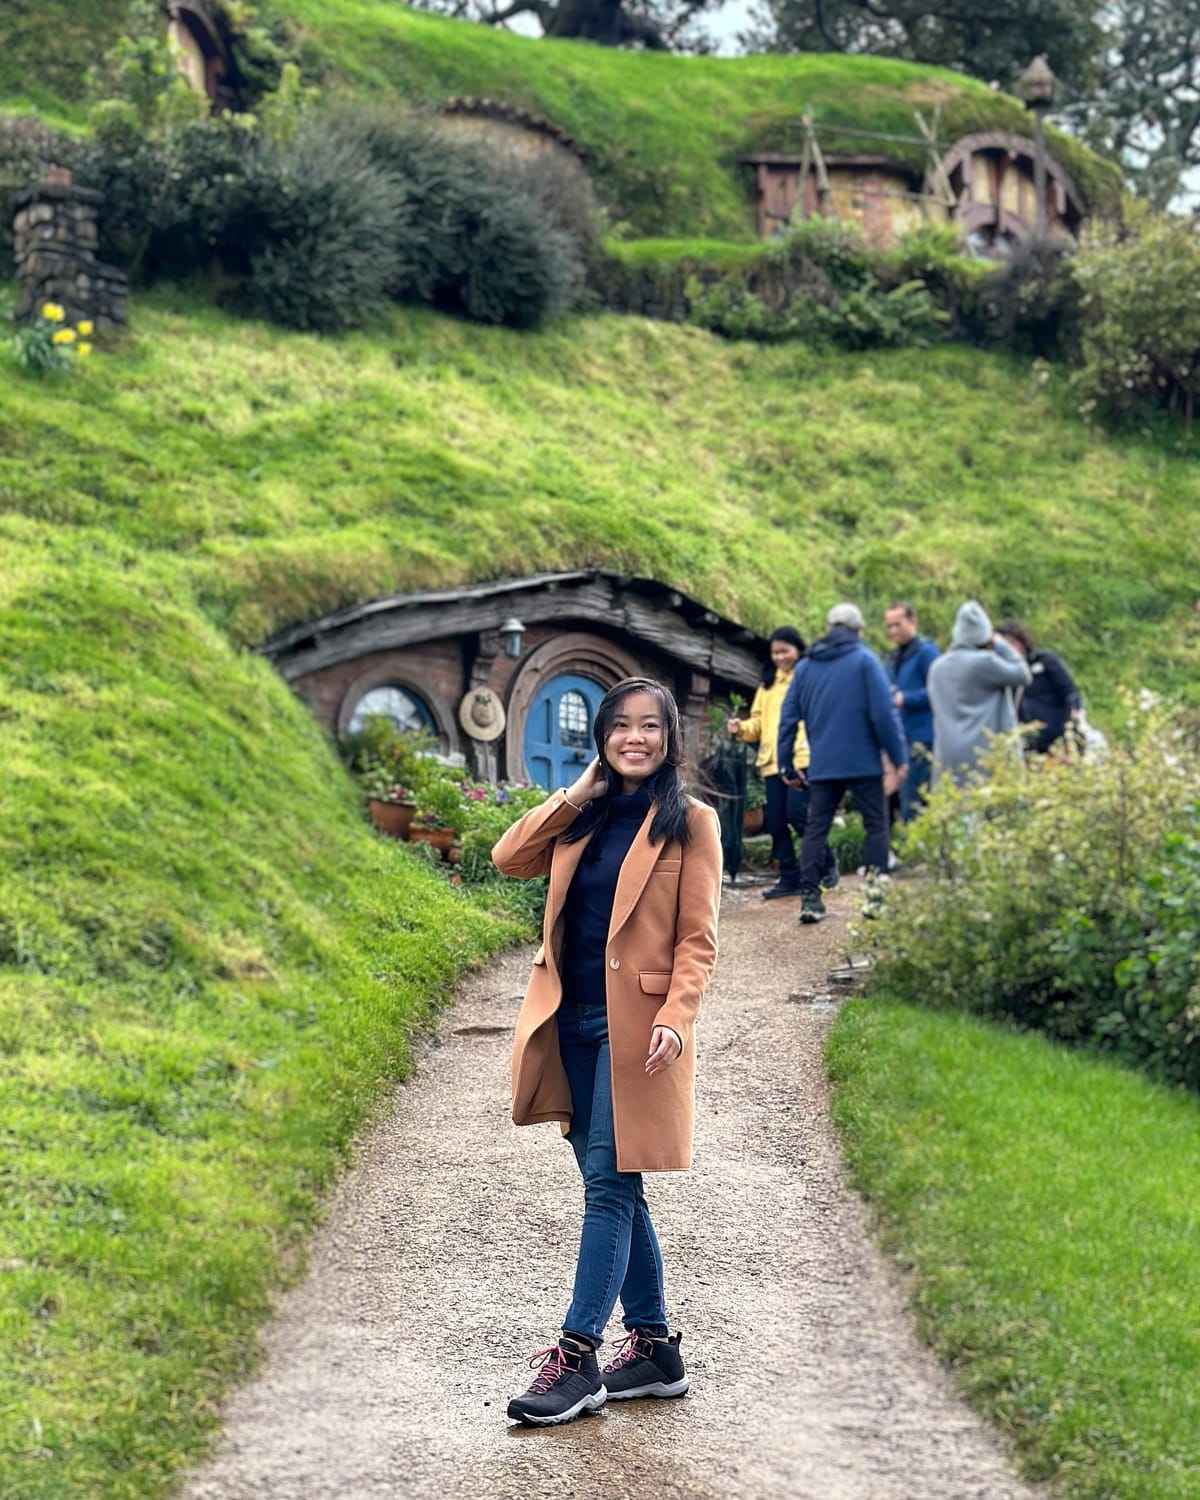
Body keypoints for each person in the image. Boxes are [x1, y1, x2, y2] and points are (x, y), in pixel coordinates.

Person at [491, 677, 722, 1427]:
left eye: (650, 727)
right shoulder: (580, 820)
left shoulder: (693, 824)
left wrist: (677, 1016)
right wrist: (575, 793)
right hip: (573, 1023)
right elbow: (507, 857)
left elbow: (697, 941)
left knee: (609, 1188)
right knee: (616, 1183)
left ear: (670, 738)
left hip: (640, 1032)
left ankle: (578, 1355)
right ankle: (654, 1348)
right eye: (620, 726)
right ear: (602, 737)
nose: (635, 738)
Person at [777, 603, 908, 925]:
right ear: (858, 630)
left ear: (829, 628)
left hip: (823, 764)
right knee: (876, 825)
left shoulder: (805, 667)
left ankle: (810, 898)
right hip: (863, 762)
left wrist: (785, 764)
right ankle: (875, 897)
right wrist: (899, 757)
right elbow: (884, 714)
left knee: (816, 829)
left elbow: (788, 717)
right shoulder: (865, 660)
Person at [726, 626, 838, 899]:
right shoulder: (767, 686)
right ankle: (790, 877)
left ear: (798, 650)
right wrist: (741, 728)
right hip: (771, 763)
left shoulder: (809, 678)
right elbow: (758, 725)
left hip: (802, 759)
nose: (780, 657)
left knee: (797, 814)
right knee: (775, 822)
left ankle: (826, 862)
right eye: (775, 652)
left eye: (785, 651)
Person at [926, 600, 1032, 787]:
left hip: (947, 754)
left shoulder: (936, 668)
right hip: (985, 754)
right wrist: (1001, 645)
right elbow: (1023, 674)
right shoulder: (985, 663)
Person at [883, 602, 940, 822]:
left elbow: (938, 690)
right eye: (889, 626)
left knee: (914, 799)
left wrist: (906, 698)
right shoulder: (892, 656)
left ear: (912, 622)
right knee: (894, 799)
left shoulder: (926, 652)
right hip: (898, 736)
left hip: (921, 736)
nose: (893, 631)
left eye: (898, 624)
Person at [995, 618, 1084, 756]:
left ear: (1023, 643)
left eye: (1012, 643)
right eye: (1004, 645)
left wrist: (1074, 713)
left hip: (1058, 743)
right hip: (1025, 747)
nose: (1009, 649)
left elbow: (1069, 691)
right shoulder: (1002, 674)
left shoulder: (1045, 661)